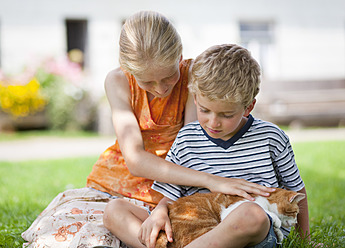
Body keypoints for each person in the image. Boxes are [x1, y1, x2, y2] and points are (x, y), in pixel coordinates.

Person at [22, 12, 271, 248]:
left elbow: (196, 147)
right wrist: (211, 181)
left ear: (180, 55)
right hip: (115, 188)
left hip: (178, 187)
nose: (160, 88)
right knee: (74, 230)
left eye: (167, 77)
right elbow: (136, 161)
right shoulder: (118, 81)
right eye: (147, 81)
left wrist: (190, 192)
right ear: (128, 69)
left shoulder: (193, 75)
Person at [104, 44, 310, 248]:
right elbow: (170, 196)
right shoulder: (187, 138)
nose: (213, 123)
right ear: (195, 99)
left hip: (247, 233)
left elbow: (296, 190)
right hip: (192, 228)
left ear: (248, 107)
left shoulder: (271, 138)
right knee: (114, 210)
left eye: (226, 115)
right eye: (204, 110)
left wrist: (305, 240)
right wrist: (158, 213)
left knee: (252, 214)